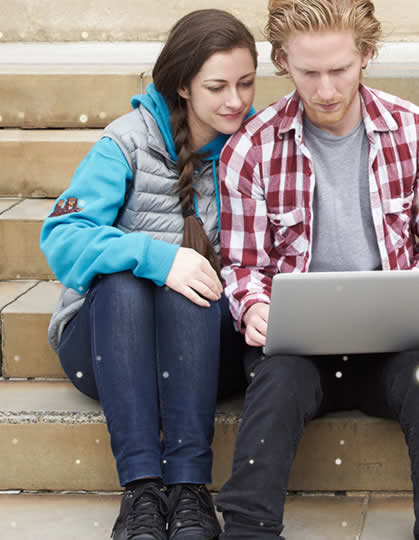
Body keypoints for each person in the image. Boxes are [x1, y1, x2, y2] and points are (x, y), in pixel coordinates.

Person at [213, 1, 419, 538]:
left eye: (339, 70)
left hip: (393, 351)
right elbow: (243, 265)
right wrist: (257, 307)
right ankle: (247, 530)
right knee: (278, 379)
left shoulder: (416, 133)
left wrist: (415, 295)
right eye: (308, 72)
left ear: (366, 54)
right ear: (282, 60)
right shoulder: (250, 148)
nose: (326, 89)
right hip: (298, 355)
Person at [40, 9, 257, 540]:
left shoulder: (260, 144)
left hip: (207, 353)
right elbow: (62, 238)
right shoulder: (126, 142)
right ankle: (140, 490)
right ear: (183, 85)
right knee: (125, 282)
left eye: (247, 83)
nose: (236, 100)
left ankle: (189, 493)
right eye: (218, 86)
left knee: (194, 287)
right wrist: (158, 258)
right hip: (108, 350)